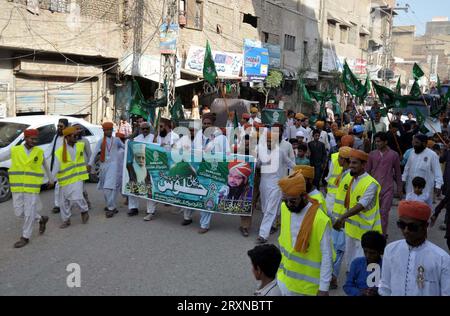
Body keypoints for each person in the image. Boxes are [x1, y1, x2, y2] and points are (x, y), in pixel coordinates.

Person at [277, 170, 334, 296]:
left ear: (304, 196)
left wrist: (324, 287)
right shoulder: (284, 208)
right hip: (284, 280)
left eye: (292, 201)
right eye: (285, 200)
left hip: (307, 289)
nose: (288, 205)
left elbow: (327, 255)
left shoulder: (320, 219)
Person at [379, 200, 450, 296]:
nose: (406, 230)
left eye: (412, 226)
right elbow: (385, 287)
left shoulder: (442, 258)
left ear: (425, 226)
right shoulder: (390, 250)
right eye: (402, 225)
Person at [333, 149, 382, 273]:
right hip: (350, 231)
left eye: (354, 163)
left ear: (364, 165)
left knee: (363, 267)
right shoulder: (350, 179)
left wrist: (342, 217)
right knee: (350, 265)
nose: (351, 166)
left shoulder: (371, 184)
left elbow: (361, 205)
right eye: (350, 163)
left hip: (366, 234)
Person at [4, 129, 52, 248]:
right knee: (19, 212)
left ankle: (25, 237)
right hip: (17, 187)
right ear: (25, 138)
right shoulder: (15, 150)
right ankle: (41, 219)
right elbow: (2, 156)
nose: (34, 141)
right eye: (32, 139)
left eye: (36, 139)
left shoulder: (39, 152)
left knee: (29, 212)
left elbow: (45, 165)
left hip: (32, 188)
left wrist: (51, 179)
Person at [256, 130, 295, 244]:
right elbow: (258, 164)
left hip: (276, 184)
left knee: (270, 209)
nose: (268, 143)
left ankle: (263, 234)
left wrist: (300, 170)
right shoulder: (262, 151)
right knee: (265, 208)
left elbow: (290, 163)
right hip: (263, 183)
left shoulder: (281, 152)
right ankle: (272, 224)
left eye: (270, 141)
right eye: (267, 141)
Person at [52, 127, 90, 228]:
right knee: (63, 201)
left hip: (78, 177)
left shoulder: (80, 146)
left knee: (76, 197)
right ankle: (66, 220)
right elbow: (56, 166)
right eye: (74, 135)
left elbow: (87, 156)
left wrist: (89, 165)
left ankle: (84, 210)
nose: (76, 137)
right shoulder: (60, 152)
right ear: (67, 137)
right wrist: (51, 179)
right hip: (65, 179)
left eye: (77, 135)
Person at [366, 132, 402, 236]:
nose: (377, 143)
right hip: (373, 188)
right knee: (373, 212)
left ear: (385, 142)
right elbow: (367, 172)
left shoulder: (394, 155)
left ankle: (382, 235)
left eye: (379, 141)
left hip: (388, 189)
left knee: (384, 213)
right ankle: (373, 234)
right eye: (376, 141)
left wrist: (399, 188)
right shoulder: (372, 154)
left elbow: (398, 173)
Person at [326, 146, 352, 289]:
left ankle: (333, 277)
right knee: (336, 247)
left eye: (340, 158)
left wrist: (341, 219)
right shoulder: (344, 173)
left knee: (338, 248)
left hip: (342, 219)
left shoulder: (349, 177)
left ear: (344, 159)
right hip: (337, 217)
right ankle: (332, 276)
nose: (338, 160)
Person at [89, 122, 125, 218]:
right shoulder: (101, 141)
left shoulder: (117, 140)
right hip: (103, 166)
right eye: (106, 130)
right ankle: (112, 205)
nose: (108, 131)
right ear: (104, 131)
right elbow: (95, 152)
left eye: (110, 129)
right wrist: (89, 164)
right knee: (106, 187)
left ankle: (111, 208)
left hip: (113, 167)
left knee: (107, 188)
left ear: (112, 130)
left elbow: (125, 147)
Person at [402, 134, 443, 207]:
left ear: (424, 144)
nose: (414, 145)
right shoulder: (412, 153)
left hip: (425, 188)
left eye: (417, 143)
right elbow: (407, 168)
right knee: (409, 208)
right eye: (413, 142)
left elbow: (438, 171)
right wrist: (404, 179)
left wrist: (438, 186)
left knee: (423, 209)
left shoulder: (432, 155)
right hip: (411, 187)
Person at [127, 122, 157, 219]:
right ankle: (133, 208)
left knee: (149, 187)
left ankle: (150, 211)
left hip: (149, 166)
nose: (145, 130)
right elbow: (128, 143)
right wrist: (133, 134)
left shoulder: (154, 137)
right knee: (133, 184)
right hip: (137, 166)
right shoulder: (137, 138)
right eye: (143, 129)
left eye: (147, 129)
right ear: (140, 129)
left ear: (150, 129)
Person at [343, 231, 386, 296]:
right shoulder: (356, 263)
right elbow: (347, 286)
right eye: (365, 251)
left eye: (372, 253)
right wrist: (360, 292)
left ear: (381, 252)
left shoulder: (386, 267)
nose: (368, 255)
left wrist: (378, 293)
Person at [50, 118, 69, 214]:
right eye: (58, 126)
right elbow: (50, 150)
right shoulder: (56, 137)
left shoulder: (69, 138)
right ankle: (57, 205)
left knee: (70, 187)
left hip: (67, 166)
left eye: (61, 126)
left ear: (66, 127)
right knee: (58, 186)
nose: (59, 128)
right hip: (57, 166)